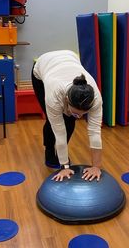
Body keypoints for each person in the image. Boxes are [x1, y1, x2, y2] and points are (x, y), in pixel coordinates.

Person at [31, 50, 103, 182]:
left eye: (84, 114)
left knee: (70, 120)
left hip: (69, 58)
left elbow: (95, 132)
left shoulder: (96, 99)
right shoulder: (54, 96)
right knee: (53, 120)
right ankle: (49, 151)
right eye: (77, 113)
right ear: (66, 99)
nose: (80, 117)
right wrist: (64, 166)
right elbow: (60, 133)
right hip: (42, 67)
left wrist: (96, 166)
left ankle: (60, 154)